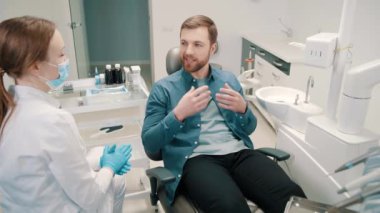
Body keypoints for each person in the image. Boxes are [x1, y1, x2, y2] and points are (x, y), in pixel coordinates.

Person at [142, 15, 306, 213]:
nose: (188, 51)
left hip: (239, 153)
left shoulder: (228, 80)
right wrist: (178, 114)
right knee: (230, 207)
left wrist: (243, 110)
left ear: (212, 48)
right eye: (184, 43)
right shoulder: (163, 89)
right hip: (197, 159)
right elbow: (150, 143)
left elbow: (250, 126)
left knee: (292, 196)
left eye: (197, 44)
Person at [0, 16, 132, 212]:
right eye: (61, 55)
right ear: (35, 66)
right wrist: (110, 167)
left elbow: (46, 164)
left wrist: (102, 161)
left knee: (98, 152)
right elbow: (92, 199)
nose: (66, 61)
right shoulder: (52, 120)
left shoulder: (9, 106)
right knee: (117, 181)